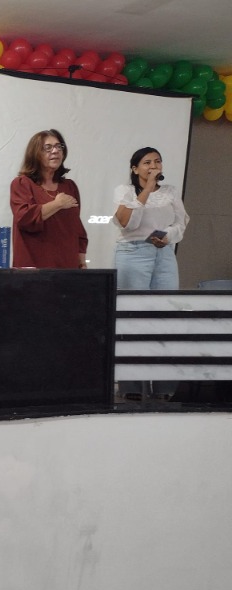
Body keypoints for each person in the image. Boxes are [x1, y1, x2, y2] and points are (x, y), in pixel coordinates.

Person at [113, 146, 189, 401]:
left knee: (166, 318)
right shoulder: (124, 191)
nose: (154, 166)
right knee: (132, 317)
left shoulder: (170, 192)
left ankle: (163, 387)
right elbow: (128, 223)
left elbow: (181, 221)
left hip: (164, 254)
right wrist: (146, 189)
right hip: (133, 253)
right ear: (135, 169)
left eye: (157, 161)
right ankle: (132, 386)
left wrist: (168, 235)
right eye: (147, 162)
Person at [10, 129, 88, 269]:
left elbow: (76, 227)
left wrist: (81, 262)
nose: (55, 151)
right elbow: (24, 218)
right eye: (48, 147)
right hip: (34, 267)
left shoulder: (69, 186)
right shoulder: (22, 184)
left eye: (59, 146)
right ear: (35, 153)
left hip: (67, 265)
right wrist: (57, 204)